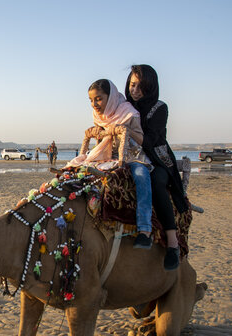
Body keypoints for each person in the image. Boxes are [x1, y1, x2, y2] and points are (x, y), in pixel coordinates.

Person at [68, 79, 153, 249]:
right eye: (91, 100)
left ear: (111, 97)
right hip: (107, 157)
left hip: (132, 155)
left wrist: (122, 130)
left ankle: (145, 230)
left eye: (98, 99)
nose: (94, 104)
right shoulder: (99, 116)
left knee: (141, 176)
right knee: (78, 172)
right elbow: (101, 140)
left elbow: (139, 138)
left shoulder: (128, 113)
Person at [125, 64, 187, 270]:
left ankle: (172, 243)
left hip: (157, 158)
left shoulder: (159, 108)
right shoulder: (125, 106)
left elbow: (150, 141)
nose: (135, 90)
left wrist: (125, 130)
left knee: (157, 182)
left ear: (150, 88)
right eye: (133, 85)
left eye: (141, 87)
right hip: (130, 157)